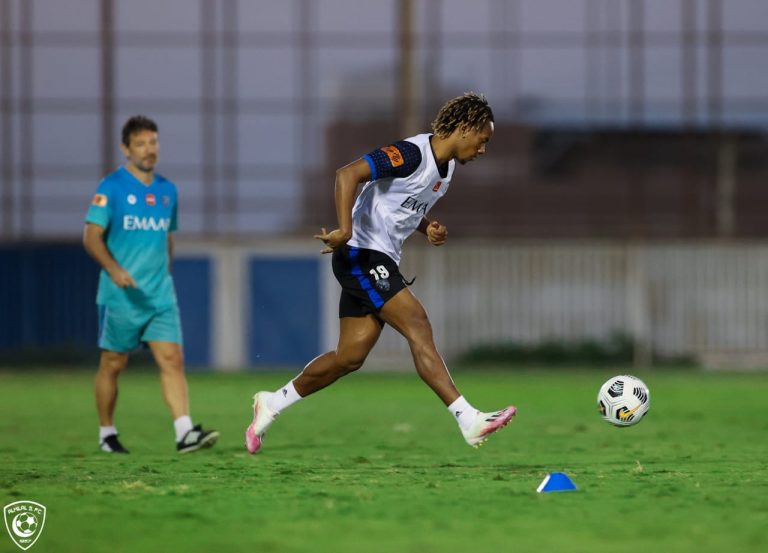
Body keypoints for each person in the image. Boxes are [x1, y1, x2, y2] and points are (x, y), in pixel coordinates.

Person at [245, 92, 515, 454]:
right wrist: (344, 229)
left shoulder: (447, 169)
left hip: (379, 257)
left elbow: (400, 204)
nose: (483, 149)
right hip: (360, 254)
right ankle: (468, 419)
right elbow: (347, 174)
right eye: (483, 140)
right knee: (417, 323)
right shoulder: (411, 153)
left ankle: (272, 402)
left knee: (349, 357)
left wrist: (427, 227)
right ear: (464, 128)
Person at [83, 115, 219, 454]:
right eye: (141, 144)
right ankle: (106, 433)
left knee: (172, 359)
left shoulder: (167, 190)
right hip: (121, 295)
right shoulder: (111, 187)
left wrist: (165, 274)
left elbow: (167, 237)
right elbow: (91, 236)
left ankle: (184, 432)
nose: (149, 149)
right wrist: (114, 269)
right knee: (113, 363)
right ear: (126, 148)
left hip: (159, 294)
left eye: (153, 142)